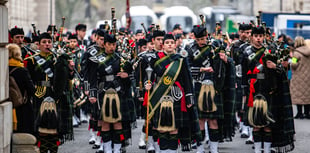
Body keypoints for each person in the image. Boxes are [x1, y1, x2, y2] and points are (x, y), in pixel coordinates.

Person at [243, 26, 295, 153]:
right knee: (255, 124)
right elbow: (243, 74)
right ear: (252, 37)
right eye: (256, 36)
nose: (258, 39)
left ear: (264, 37)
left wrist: (275, 66)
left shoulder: (270, 51)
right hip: (253, 91)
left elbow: (282, 70)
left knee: (268, 125)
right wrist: (244, 93)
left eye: (261, 36)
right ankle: (256, 150)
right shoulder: (246, 52)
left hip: (269, 92)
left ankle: (266, 150)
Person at [145, 34, 199, 153]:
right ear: (163, 45)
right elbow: (148, 75)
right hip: (159, 96)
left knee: (174, 128)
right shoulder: (155, 59)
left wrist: (189, 97)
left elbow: (187, 79)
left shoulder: (180, 59)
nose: (169, 44)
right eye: (167, 42)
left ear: (175, 45)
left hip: (177, 96)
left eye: (171, 42)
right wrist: (146, 84)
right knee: (162, 128)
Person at [25, 32, 74, 153]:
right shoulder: (31, 60)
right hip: (39, 95)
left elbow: (66, 79)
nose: (47, 45)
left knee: (54, 129)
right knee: (41, 128)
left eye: (49, 42)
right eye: (44, 42)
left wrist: (71, 70)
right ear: (39, 45)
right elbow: (28, 80)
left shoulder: (58, 59)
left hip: (55, 96)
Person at [88, 33, 133, 153]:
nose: (112, 47)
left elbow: (131, 78)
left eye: (114, 44)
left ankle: (117, 149)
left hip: (118, 92)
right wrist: (92, 94)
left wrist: (126, 76)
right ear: (104, 44)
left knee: (118, 122)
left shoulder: (121, 59)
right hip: (103, 92)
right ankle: (107, 149)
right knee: (105, 122)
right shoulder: (96, 59)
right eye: (109, 44)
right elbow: (92, 78)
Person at [7, 43, 35, 134]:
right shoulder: (22, 70)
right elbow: (31, 89)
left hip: (8, 105)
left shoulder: (4, 68)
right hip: (23, 107)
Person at [290, 36, 310, 119]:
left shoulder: (296, 53)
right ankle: (307, 113)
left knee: (299, 94)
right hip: (308, 76)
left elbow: (293, 65)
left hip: (298, 77)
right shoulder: (309, 51)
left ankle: (299, 113)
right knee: (307, 95)